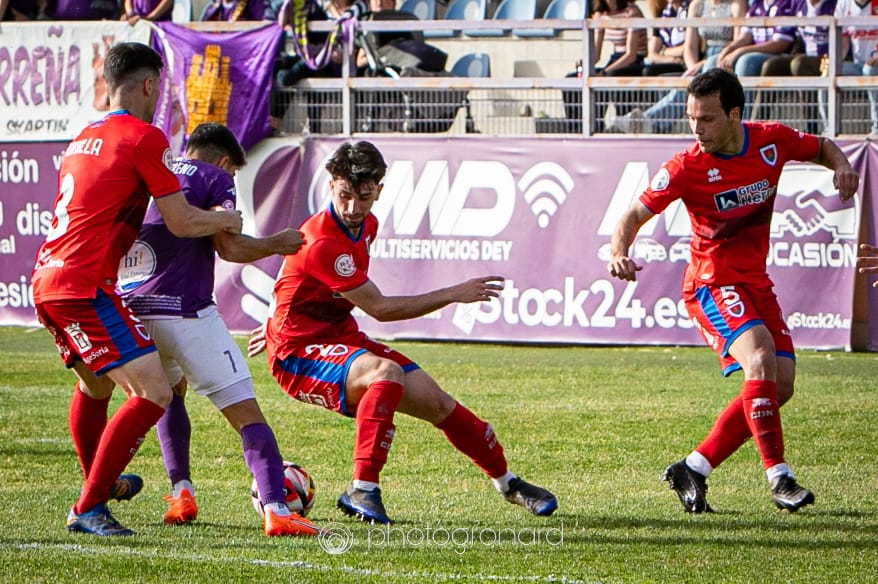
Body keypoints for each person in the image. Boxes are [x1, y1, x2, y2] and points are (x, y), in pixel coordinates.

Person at [248, 141, 558, 525]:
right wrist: (452, 294)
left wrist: (274, 317)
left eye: (363, 197)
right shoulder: (324, 241)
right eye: (344, 195)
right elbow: (380, 308)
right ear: (331, 185)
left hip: (337, 338)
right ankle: (363, 487)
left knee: (439, 403)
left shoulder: (366, 226)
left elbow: (294, 279)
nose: (352, 208)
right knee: (385, 373)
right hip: (298, 354)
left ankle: (508, 483)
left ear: (379, 188)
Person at [606, 68, 858, 513]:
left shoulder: (772, 140)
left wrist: (840, 165)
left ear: (734, 114)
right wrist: (619, 252)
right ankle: (779, 478)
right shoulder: (685, 168)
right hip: (710, 282)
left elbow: (820, 146)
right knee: (759, 358)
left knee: (779, 386)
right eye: (690, 119)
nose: (695, 129)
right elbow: (630, 217)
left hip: (755, 282)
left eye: (705, 119)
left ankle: (694, 467)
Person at [31, 42, 243, 536]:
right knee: (155, 391)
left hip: (47, 277)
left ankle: (98, 483)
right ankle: (89, 505)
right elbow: (182, 220)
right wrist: (225, 218)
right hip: (85, 285)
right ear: (150, 85)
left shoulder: (83, 136)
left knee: (95, 384)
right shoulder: (145, 137)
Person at [118, 123, 320, 537]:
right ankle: (277, 508)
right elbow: (230, 247)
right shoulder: (214, 177)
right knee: (247, 414)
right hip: (187, 313)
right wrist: (275, 243)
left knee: (168, 394)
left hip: (134, 310)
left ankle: (181, 493)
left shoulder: (153, 170)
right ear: (225, 162)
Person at [834, 0, 878, 135]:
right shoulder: (843, 4)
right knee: (828, 74)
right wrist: (832, 64)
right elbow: (843, 44)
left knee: (869, 71)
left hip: (874, 65)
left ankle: (876, 128)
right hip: (857, 65)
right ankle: (829, 128)